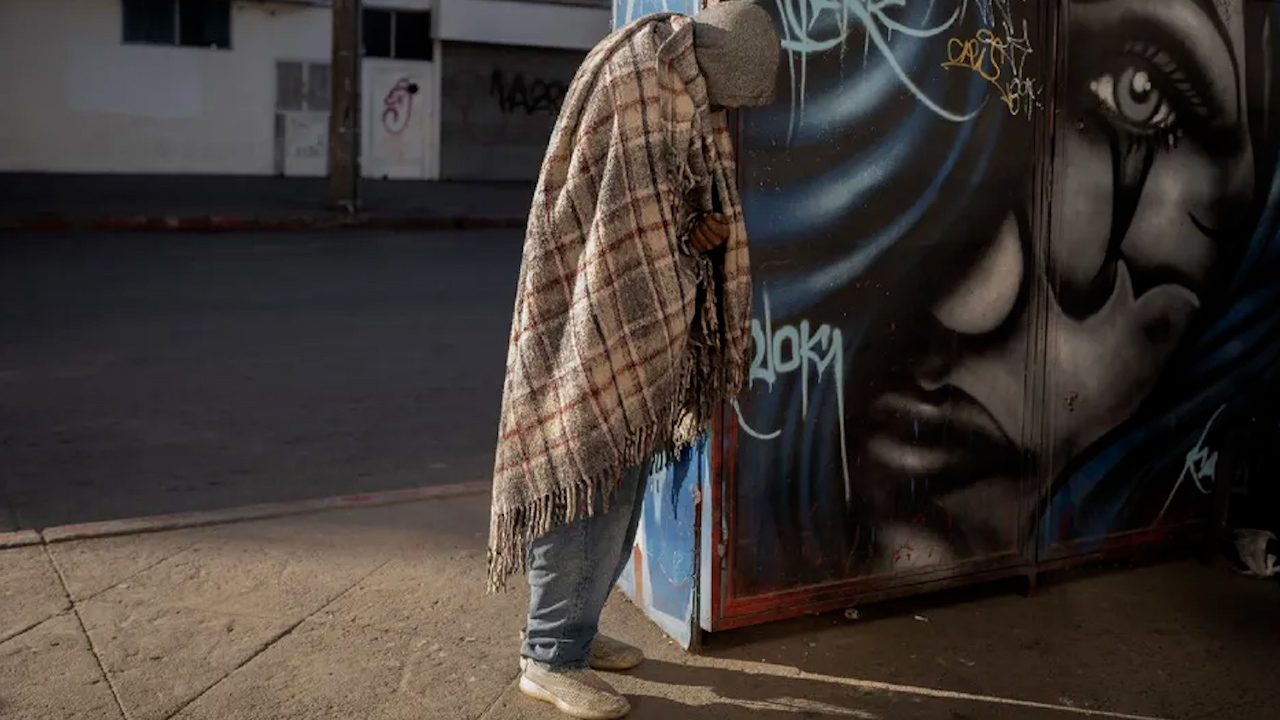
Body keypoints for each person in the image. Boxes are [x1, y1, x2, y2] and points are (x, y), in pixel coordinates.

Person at [484, 3, 780, 718]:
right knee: (583, 470)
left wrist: (694, 235)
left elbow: (657, 211)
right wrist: (686, 243)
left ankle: (572, 635)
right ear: (719, 63)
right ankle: (548, 655)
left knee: (619, 484)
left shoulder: (674, 76)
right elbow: (621, 224)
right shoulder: (642, 80)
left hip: (622, 307)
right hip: (590, 313)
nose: (727, 115)